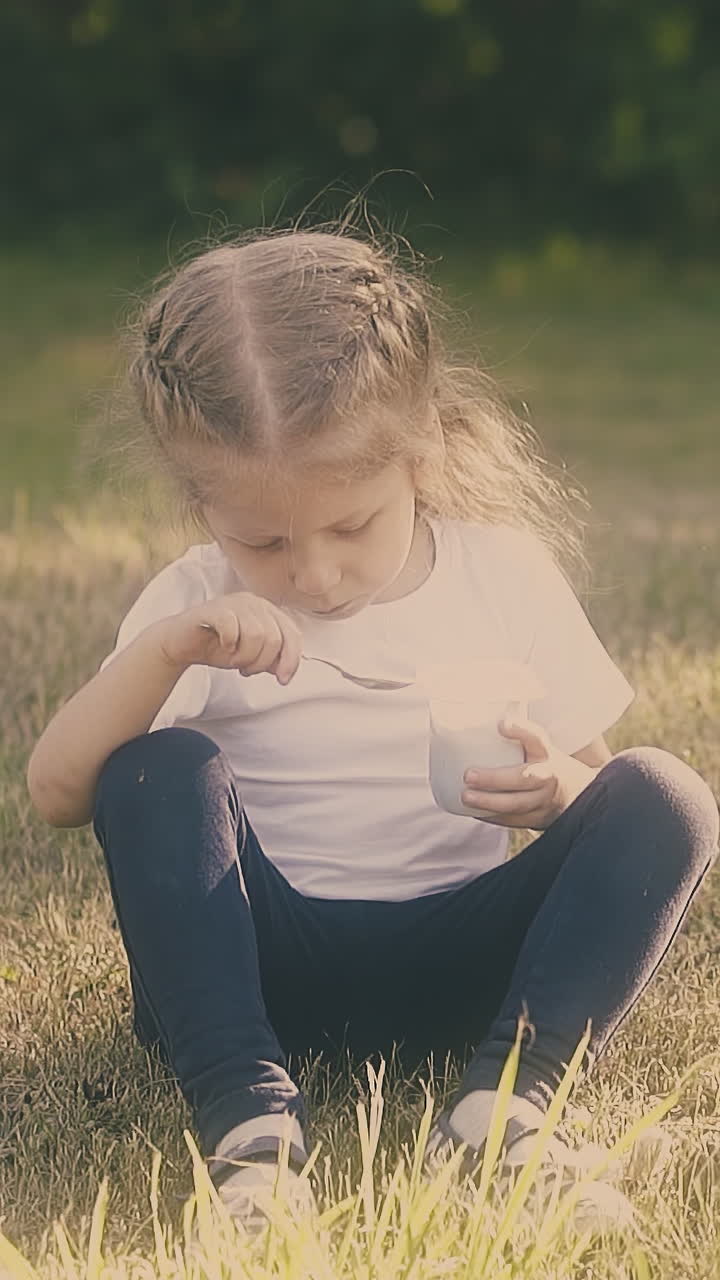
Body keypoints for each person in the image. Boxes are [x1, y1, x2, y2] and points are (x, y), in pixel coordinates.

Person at [27, 226, 719, 1236]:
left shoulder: (500, 571)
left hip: (467, 962)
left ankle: (507, 1106)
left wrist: (556, 791)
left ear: (419, 450)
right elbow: (57, 791)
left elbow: (598, 795)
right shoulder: (196, 606)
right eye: (261, 538)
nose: (312, 574)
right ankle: (250, 1126)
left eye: (350, 524)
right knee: (156, 765)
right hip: (261, 966)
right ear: (199, 500)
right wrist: (170, 651)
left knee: (668, 794)